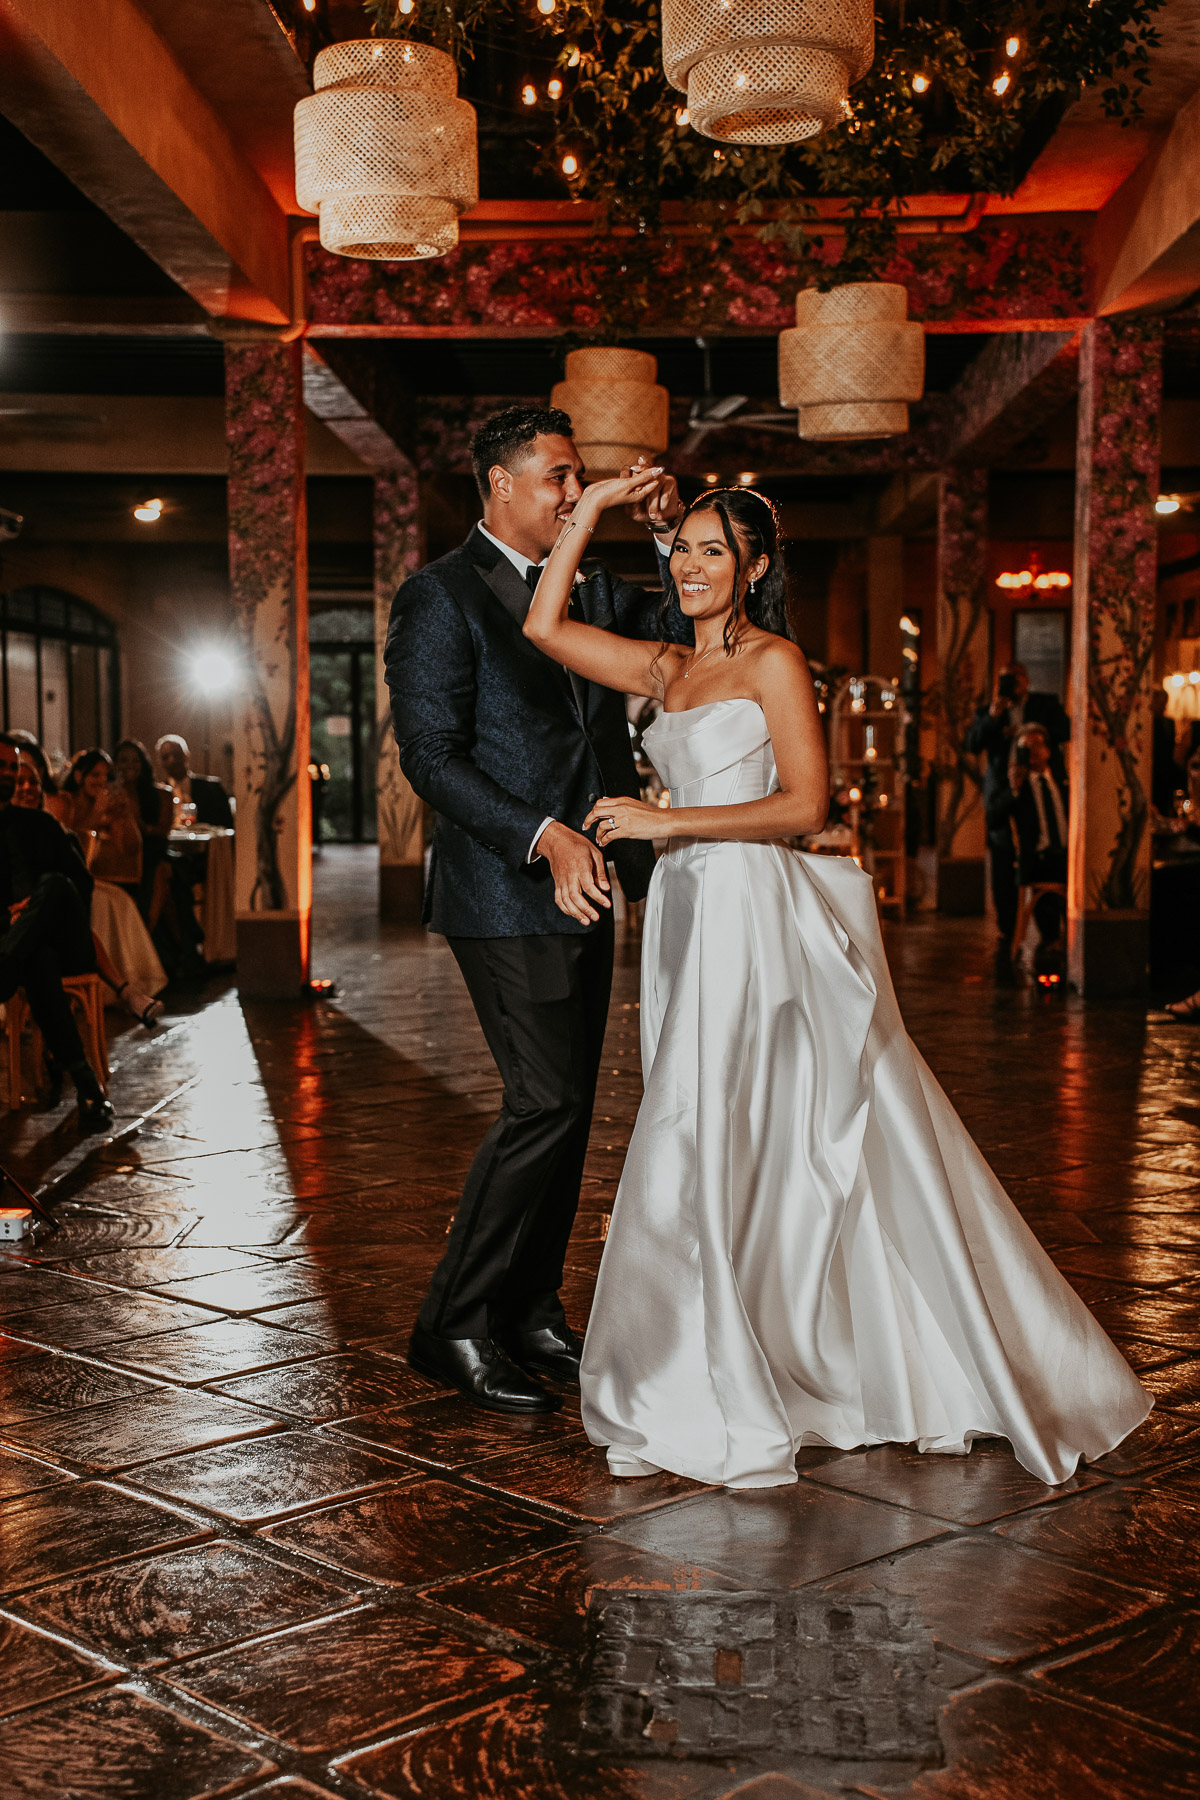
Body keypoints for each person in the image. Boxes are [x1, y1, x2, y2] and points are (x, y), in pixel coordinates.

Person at [522, 479, 1149, 1489]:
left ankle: (707, 1377)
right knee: (720, 1123)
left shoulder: (777, 662)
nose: (690, 567)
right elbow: (543, 622)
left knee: (712, 1123)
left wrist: (667, 820)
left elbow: (804, 802)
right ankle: (738, 1352)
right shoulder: (666, 665)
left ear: (758, 570)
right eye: (681, 548)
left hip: (747, 908)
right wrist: (590, 506)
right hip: (686, 913)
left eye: (715, 553)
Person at [385, 404, 690, 1415]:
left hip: (594, 879)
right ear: (500, 485)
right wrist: (541, 835)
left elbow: (693, 638)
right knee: (543, 1103)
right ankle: (454, 1323)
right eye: (557, 478)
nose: (572, 494)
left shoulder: (596, 587)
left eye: (579, 477)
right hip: (505, 886)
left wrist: (662, 532)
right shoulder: (439, 598)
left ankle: (529, 1310)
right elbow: (432, 759)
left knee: (569, 1112)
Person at [0, 734, 113, 1131]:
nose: (12, 776)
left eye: (14, 768)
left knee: (54, 885)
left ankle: (7, 964)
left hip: (69, 938)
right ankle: (87, 1086)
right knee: (37, 958)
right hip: (27, 946)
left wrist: (33, 908)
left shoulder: (44, 823)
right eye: (5, 768)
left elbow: (81, 885)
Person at [14, 748, 163, 1026]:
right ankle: (125, 991)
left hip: (51, 921)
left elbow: (126, 852)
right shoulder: (19, 823)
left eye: (33, 782)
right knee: (53, 928)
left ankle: (122, 995)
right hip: (22, 925)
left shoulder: (50, 827)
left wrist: (126, 815)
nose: (27, 789)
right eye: (18, 782)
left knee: (61, 897)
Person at [965, 664, 1069, 952]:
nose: (1012, 682)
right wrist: (995, 716)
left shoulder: (1044, 703)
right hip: (1005, 790)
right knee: (1002, 859)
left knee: (1047, 837)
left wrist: (1030, 736)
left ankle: (1051, 933)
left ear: (1026, 679)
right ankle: (1008, 929)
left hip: (1041, 783)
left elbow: (1066, 730)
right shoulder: (990, 710)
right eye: (1005, 676)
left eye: (1016, 676)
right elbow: (972, 744)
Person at [995, 722, 1069, 962]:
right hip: (1038, 857)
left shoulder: (1063, 780)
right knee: (1046, 889)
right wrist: (1013, 791)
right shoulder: (1019, 786)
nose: (1034, 751)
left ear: (1048, 748)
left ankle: (1072, 941)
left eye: (1038, 744)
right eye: (1026, 748)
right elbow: (994, 819)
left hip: (1069, 854)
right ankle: (1052, 938)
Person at [53, 750, 143, 899]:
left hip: (113, 881)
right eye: (95, 775)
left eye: (107, 776)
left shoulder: (109, 808)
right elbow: (69, 843)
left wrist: (127, 815)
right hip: (76, 882)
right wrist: (96, 813)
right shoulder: (66, 802)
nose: (102, 781)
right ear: (78, 776)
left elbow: (132, 848)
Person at [115, 738, 173, 923]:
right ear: (116, 764)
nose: (129, 765)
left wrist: (138, 821)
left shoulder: (161, 794)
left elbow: (163, 828)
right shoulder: (113, 793)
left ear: (143, 763)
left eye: (135, 760)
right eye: (124, 760)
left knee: (160, 871)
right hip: (126, 851)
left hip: (154, 850)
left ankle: (147, 928)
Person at [156, 734, 233, 827]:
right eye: (166, 757)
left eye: (176, 754)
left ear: (186, 755)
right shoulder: (158, 793)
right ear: (160, 761)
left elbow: (227, 824)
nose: (172, 760)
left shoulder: (212, 788)